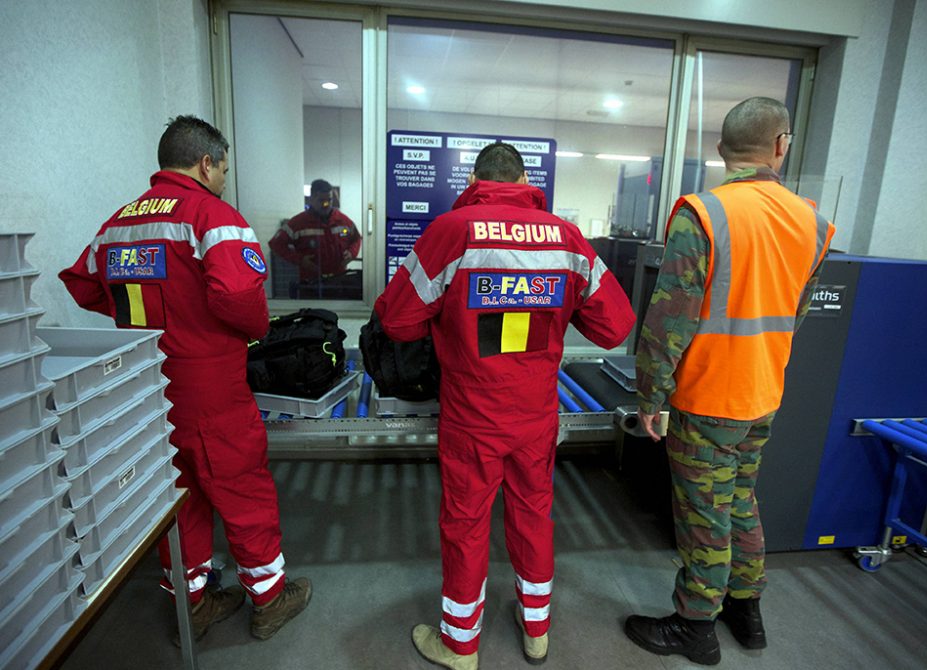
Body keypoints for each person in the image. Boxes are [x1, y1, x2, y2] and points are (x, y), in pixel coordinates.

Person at [375, 142, 635, 670]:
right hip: (537, 414)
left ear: (475, 179)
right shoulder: (566, 238)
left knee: (466, 523)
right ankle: (536, 630)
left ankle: (459, 645)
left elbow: (398, 322)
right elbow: (615, 326)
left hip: (472, 415)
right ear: (523, 179)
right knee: (534, 515)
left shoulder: (452, 231)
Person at [59, 115, 312, 643]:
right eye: (223, 168)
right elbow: (242, 301)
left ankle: (191, 603)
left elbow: (84, 285)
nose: (224, 177)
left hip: (142, 392)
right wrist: (227, 326)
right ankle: (268, 600)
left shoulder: (118, 223)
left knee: (178, 498)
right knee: (242, 490)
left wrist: (148, 319)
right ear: (206, 162)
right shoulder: (211, 217)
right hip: (208, 386)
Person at [625, 97, 835, 666]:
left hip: (707, 396)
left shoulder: (704, 213)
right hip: (763, 393)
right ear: (780, 146)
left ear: (721, 152)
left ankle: (695, 627)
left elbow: (669, 318)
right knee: (741, 501)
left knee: (703, 516)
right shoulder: (812, 223)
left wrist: (650, 396)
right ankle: (747, 609)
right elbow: (798, 314)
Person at [268, 178, 361, 285]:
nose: (326, 204)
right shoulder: (298, 223)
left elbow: (357, 238)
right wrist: (300, 260)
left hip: (339, 281)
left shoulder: (343, 221)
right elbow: (276, 244)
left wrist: (351, 253)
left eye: (329, 200)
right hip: (310, 284)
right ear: (311, 199)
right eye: (321, 201)